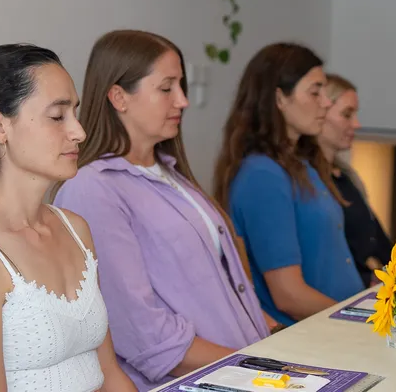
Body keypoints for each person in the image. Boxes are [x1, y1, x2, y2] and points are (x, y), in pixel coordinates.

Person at [53, 30, 274, 390]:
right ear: (119, 97)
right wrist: (253, 367)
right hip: (204, 379)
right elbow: (141, 330)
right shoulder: (93, 189)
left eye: (181, 86)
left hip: (243, 370)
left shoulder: (173, 176)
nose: (183, 101)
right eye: (167, 87)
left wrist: (269, 346)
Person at [0, 44, 136, 392]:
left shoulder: (74, 229)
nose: (79, 132)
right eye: (58, 116)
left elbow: (110, 374)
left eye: (74, 113)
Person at [213, 43, 364, 327]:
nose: (326, 102)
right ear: (280, 98)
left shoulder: (302, 163)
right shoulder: (262, 175)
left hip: (335, 326)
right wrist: (358, 320)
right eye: (315, 91)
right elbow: (288, 295)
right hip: (313, 335)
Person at [317, 74, 393, 288]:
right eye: (347, 114)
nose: (356, 124)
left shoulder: (347, 176)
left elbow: (377, 240)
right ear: (320, 110)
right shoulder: (307, 183)